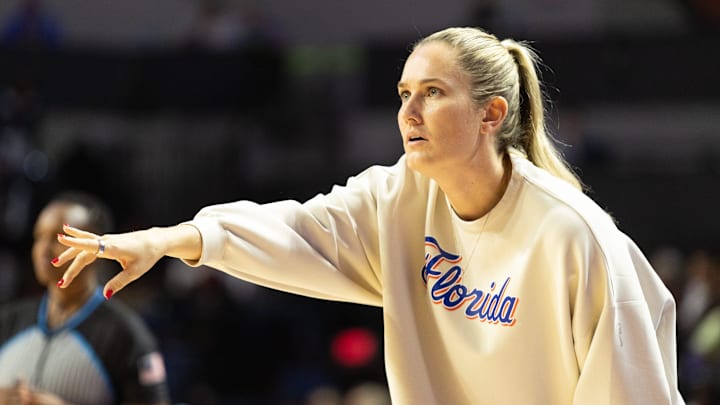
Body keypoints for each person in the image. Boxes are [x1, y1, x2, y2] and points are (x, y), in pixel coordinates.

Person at [53, 27, 684, 404]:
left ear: (492, 114)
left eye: (433, 94)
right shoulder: (397, 198)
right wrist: (171, 240)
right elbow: (295, 229)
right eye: (405, 94)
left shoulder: (576, 238)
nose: (409, 112)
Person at [0, 191, 171, 405]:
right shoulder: (9, 320)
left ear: (96, 249)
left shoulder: (126, 335)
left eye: (58, 238)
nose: (43, 248)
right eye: (39, 237)